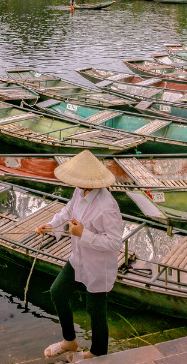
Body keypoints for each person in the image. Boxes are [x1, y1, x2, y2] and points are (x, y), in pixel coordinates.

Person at [38, 150, 123, 362]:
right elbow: (68, 211)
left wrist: (84, 234)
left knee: (95, 309)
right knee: (58, 292)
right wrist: (51, 225)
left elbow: (114, 242)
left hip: (98, 264)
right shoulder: (80, 191)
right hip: (79, 258)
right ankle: (70, 341)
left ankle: (98, 353)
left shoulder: (107, 206)